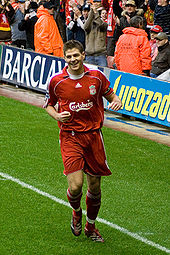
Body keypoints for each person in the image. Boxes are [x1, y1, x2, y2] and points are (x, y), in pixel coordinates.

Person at [44, 40, 122, 242]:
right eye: (69, 56)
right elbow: (48, 104)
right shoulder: (56, 81)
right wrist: (57, 116)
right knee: (76, 185)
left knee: (95, 187)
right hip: (70, 136)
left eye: (76, 55)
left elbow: (110, 94)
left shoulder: (96, 77)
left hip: (94, 136)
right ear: (65, 58)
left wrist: (116, 100)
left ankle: (91, 226)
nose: (73, 59)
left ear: (83, 55)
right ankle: (77, 212)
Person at [84, 0, 108, 67]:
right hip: (89, 55)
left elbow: (101, 25)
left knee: (103, 75)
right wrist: (91, 11)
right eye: (94, 2)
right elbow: (85, 27)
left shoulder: (104, 23)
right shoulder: (89, 24)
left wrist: (95, 12)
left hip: (101, 55)